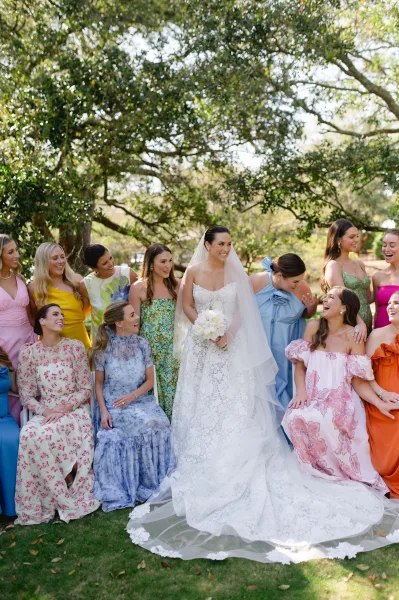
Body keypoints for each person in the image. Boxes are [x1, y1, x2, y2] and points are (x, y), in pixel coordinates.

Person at [126, 226, 399, 565]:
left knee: (236, 402)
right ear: (207, 245)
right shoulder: (193, 271)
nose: (226, 248)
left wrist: (228, 332)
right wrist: (204, 328)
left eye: (229, 243)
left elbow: (243, 309)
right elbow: (187, 307)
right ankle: (202, 455)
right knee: (202, 402)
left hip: (231, 344)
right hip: (202, 347)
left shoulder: (237, 273)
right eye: (221, 243)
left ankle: (238, 450)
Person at [282, 287, 391, 491]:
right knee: (295, 416)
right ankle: (312, 468)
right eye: (327, 296)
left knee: (325, 419)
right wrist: (301, 392)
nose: (325, 299)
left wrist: (379, 401)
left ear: (343, 308)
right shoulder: (314, 327)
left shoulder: (353, 336)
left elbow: (357, 381)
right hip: (311, 393)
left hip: (340, 396)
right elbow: (300, 366)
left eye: (331, 297)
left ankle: (334, 471)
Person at [15, 304, 100, 525]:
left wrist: (65, 408)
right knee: (28, 434)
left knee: (44, 436)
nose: (61, 317)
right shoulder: (29, 352)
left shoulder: (75, 347)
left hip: (74, 410)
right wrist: (46, 411)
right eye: (55, 314)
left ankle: (68, 483)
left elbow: (84, 389)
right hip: (47, 410)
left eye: (62, 314)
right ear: (41, 321)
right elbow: (27, 395)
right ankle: (45, 498)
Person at [91, 301, 174, 512]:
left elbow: (149, 381)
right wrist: (103, 411)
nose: (137, 318)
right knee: (141, 424)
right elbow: (98, 385)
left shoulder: (142, 344)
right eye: (132, 315)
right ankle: (133, 484)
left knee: (161, 423)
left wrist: (134, 396)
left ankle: (154, 481)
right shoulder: (103, 348)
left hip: (140, 400)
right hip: (115, 404)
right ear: (119, 323)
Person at [250, 254, 319, 409]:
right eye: (295, 281)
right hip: (259, 343)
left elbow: (306, 314)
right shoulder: (255, 282)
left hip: (286, 344)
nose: (298, 284)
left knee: (283, 381)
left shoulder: (302, 288)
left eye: (301, 279)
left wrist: (311, 307)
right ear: (280, 276)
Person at [129, 244, 180, 420]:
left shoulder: (177, 286)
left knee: (173, 390)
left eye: (170, 261)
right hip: (150, 350)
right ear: (151, 264)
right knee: (154, 392)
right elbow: (133, 325)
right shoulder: (138, 288)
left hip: (173, 350)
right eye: (163, 261)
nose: (168, 266)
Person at [365, 290, 399, 498]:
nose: (391, 307)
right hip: (380, 405)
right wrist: (380, 396)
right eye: (390, 303)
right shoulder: (376, 335)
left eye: (398, 303)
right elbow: (362, 375)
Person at [0, 234, 36, 423]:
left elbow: (30, 314)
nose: (17, 255)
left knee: (28, 387)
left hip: (27, 341)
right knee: (9, 388)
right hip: (3, 345)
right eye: (10, 252)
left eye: (16, 250)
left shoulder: (21, 278)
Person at [28, 242, 91, 350]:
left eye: (62, 257)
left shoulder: (77, 281)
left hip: (80, 345)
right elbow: (34, 320)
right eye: (55, 258)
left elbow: (87, 309)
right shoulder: (33, 288)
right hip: (50, 348)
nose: (61, 261)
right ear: (43, 262)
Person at [322, 219, 372, 338]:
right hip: (349, 325)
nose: (356, 240)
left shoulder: (360, 264)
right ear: (338, 239)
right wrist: (360, 323)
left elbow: (368, 297)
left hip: (367, 325)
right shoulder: (333, 265)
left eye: (357, 236)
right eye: (351, 237)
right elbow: (342, 300)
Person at [80, 244, 137, 342]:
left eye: (110, 258)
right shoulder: (86, 284)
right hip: (102, 341)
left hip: (128, 337)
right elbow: (85, 311)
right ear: (94, 268)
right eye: (105, 263)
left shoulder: (128, 274)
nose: (111, 263)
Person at [0, 347, 19, 518]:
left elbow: (15, 388)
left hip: (5, 418)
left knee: (13, 439)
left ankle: (12, 506)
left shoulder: (4, 359)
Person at [372, 229, 399, 328]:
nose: (386, 249)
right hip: (380, 335)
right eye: (384, 245)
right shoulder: (377, 277)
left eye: (392, 245)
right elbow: (377, 311)